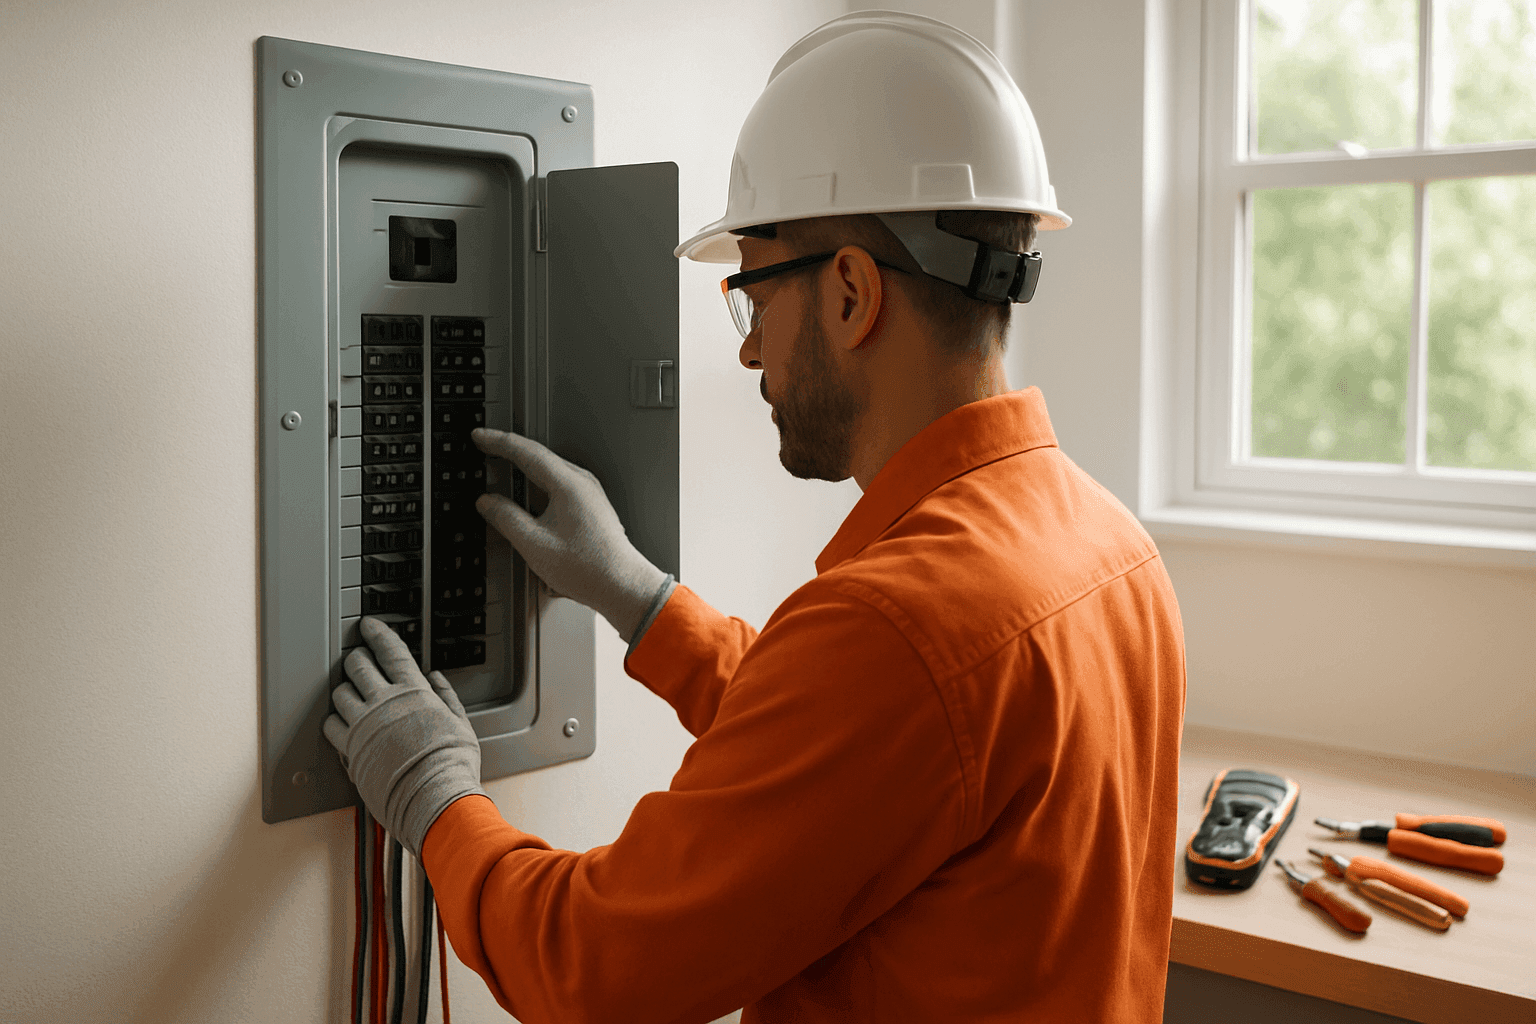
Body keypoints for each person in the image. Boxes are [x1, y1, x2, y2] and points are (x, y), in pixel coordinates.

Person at [324, 11, 1186, 1023]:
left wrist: (436, 798)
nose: (747, 352)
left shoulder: (899, 627)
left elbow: (594, 960)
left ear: (854, 293)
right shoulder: (1113, 549)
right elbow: (861, 761)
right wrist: (643, 601)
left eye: (752, 296)